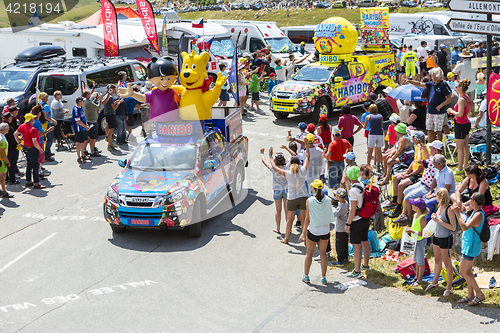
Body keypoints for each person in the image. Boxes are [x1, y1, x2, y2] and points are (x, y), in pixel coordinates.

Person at [270, 143, 310, 245]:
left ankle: (286, 239)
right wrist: (307, 144)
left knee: (290, 220)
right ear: (299, 163)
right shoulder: (303, 170)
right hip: (303, 197)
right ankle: (305, 238)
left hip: (292, 198)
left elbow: (275, 168)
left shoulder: (287, 172)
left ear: (290, 164)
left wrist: (270, 156)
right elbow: (308, 157)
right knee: (303, 219)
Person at [451, 192, 486, 306]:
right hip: (469, 246)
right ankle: (470, 294)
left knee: (463, 272)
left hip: (471, 247)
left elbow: (465, 227)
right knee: (468, 272)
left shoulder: (478, 215)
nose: (469, 201)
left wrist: (457, 214)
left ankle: (479, 294)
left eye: (470, 199)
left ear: (474, 201)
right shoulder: (475, 212)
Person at [395, 141, 442, 224]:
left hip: (427, 187)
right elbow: (428, 158)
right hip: (422, 182)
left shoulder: (435, 160)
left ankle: (409, 219)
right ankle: (404, 214)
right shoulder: (435, 158)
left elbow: (420, 161)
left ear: (435, 150)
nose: (430, 149)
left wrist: (419, 150)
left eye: (431, 148)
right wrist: (425, 149)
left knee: (407, 198)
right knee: (405, 191)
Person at [299, 179, 333, 285]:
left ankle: (306, 276)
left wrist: (303, 232)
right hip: (325, 230)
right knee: (323, 254)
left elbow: (307, 218)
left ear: (313, 189)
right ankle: (323, 277)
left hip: (313, 230)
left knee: (309, 254)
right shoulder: (329, 200)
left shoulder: (309, 201)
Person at [406, 67, 454, 142]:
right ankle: (431, 145)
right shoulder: (431, 84)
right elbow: (419, 84)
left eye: (433, 74)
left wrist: (441, 105)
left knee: (438, 131)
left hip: (438, 112)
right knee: (429, 129)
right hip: (430, 111)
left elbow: (451, 97)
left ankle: (439, 147)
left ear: (437, 76)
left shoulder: (443, 84)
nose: (431, 75)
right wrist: (409, 81)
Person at [385, 131, 425, 217]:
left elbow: (420, 167)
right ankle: (394, 201)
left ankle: (399, 207)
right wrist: (407, 172)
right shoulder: (416, 146)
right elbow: (414, 161)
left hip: (419, 174)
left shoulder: (422, 150)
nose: (412, 139)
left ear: (416, 139)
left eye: (413, 137)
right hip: (413, 172)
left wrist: (409, 175)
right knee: (395, 177)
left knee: (401, 185)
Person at [427, 188, 457, 297]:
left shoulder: (449, 209)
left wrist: (438, 220)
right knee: (437, 260)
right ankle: (434, 282)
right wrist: (434, 218)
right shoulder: (439, 207)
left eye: (436, 196)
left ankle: (449, 288)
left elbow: (453, 227)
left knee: (447, 264)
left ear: (440, 197)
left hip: (445, 238)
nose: (435, 198)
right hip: (437, 237)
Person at [345, 166, 370, 278]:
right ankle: (365, 264)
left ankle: (357, 270)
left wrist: (348, 224)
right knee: (365, 241)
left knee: (356, 245)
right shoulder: (362, 184)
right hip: (365, 217)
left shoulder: (353, 190)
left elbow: (352, 209)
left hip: (357, 220)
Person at [13, 113, 45, 189]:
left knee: (29, 164)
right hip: (32, 149)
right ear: (30, 120)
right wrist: (39, 149)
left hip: (26, 147)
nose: (34, 119)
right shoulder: (33, 129)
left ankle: (28, 181)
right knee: (35, 165)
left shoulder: (22, 126)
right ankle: (36, 183)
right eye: (33, 118)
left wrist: (19, 143)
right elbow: (34, 141)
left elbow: (15, 134)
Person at [446, 79, 471, 175]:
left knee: (460, 148)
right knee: (465, 146)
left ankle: (460, 169)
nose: (455, 89)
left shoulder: (461, 99)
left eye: (456, 87)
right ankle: (465, 166)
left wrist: (451, 111)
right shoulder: (466, 97)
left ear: (460, 88)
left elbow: (460, 114)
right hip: (466, 123)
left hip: (460, 124)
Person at [260, 147, 287, 234]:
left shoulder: (273, 168)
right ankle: (288, 228)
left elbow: (264, 161)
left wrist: (262, 153)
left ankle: (278, 228)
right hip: (287, 190)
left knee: (278, 210)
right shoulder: (287, 167)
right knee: (287, 210)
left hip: (277, 190)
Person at [423, 154, 456, 221]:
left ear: (439, 164)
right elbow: (434, 181)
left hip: (445, 195)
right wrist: (430, 191)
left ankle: (428, 220)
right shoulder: (437, 170)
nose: (432, 163)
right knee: (424, 199)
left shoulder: (448, 172)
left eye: (433, 162)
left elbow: (446, 190)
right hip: (438, 193)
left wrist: (433, 195)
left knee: (428, 203)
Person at [405, 198, 428, 287]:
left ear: (417, 208)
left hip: (420, 241)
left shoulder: (422, 218)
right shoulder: (415, 215)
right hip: (414, 240)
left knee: (420, 261)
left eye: (413, 204)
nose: (412, 205)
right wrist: (409, 229)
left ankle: (419, 279)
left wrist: (412, 231)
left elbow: (423, 233)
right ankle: (417, 276)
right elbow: (414, 228)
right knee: (416, 260)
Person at [331, 187, 349, 266]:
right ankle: (345, 257)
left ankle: (340, 259)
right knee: (345, 243)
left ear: (339, 197)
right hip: (345, 227)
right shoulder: (346, 203)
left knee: (339, 244)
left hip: (340, 228)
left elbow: (335, 215)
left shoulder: (340, 207)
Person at [364, 104, 384, 172]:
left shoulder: (368, 117)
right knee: (378, 151)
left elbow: (365, 127)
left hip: (372, 134)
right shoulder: (381, 116)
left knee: (370, 151)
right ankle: (378, 166)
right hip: (380, 134)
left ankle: (368, 166)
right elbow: (381, 125)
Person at [82, 90, 102, 157]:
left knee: (87, 137)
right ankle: (92, 152)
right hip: (92, 121)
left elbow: (92, 104)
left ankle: (84, 150)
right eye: (89, 94)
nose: (90, 95)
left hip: (87, 121)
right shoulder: (88, 102)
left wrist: (96, 99)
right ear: (87, 95)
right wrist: (100, 100)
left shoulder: (84, 101)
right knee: (93, 138)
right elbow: (98, 107)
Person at [72, 97, 91, 164]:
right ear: (79, 102)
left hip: (83, 128)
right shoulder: (76, 109)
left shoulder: (81, 108)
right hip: (79, 128)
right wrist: (85, 126)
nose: (83, 102)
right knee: (79, 142)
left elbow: (83, 118)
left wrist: (86, 125)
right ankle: (79, 157)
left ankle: (83, 155)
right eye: (82, 101)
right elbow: (78, 121)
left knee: (82, 142)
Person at [4, 109, 20, 185]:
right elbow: (12, 139)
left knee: (7, 163)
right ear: (9, 118)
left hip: (6, 148)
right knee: (12, 164)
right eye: (11, 117)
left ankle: (6, 178)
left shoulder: (3, 126)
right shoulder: (9, 128)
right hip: (12, 148)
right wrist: (18, 142)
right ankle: (12, 180)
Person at [103, 84, 121, 151]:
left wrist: (115, 102)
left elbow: (110, 104)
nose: (114, 91)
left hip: (107, 113)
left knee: (108, 127)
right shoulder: (110, 97)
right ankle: (109, 145)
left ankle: (110, 142)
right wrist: (118, 103)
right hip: (111, 114)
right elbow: (114, 108)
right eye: (114, 89)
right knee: (111, 131)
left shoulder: (106, 96)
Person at [38, 92, 55, 162]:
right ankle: (46, 154)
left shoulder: (40, 105)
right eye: (47, 96)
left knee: (46, 138)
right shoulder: (46, 106)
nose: (48, 97)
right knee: (49, 139)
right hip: (47, 124)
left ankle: (48, 151)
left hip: (43, 124)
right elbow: (46, 116)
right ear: (43, 98)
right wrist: (53, 120)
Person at [0, 123, 13, 198]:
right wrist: (7, 161)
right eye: (8, 128)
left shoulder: (2, 137)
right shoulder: (1, 139)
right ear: (4, 129)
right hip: (1, 160)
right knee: (3, 176)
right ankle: (4, 191)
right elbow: (2, 152)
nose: (9, 129)